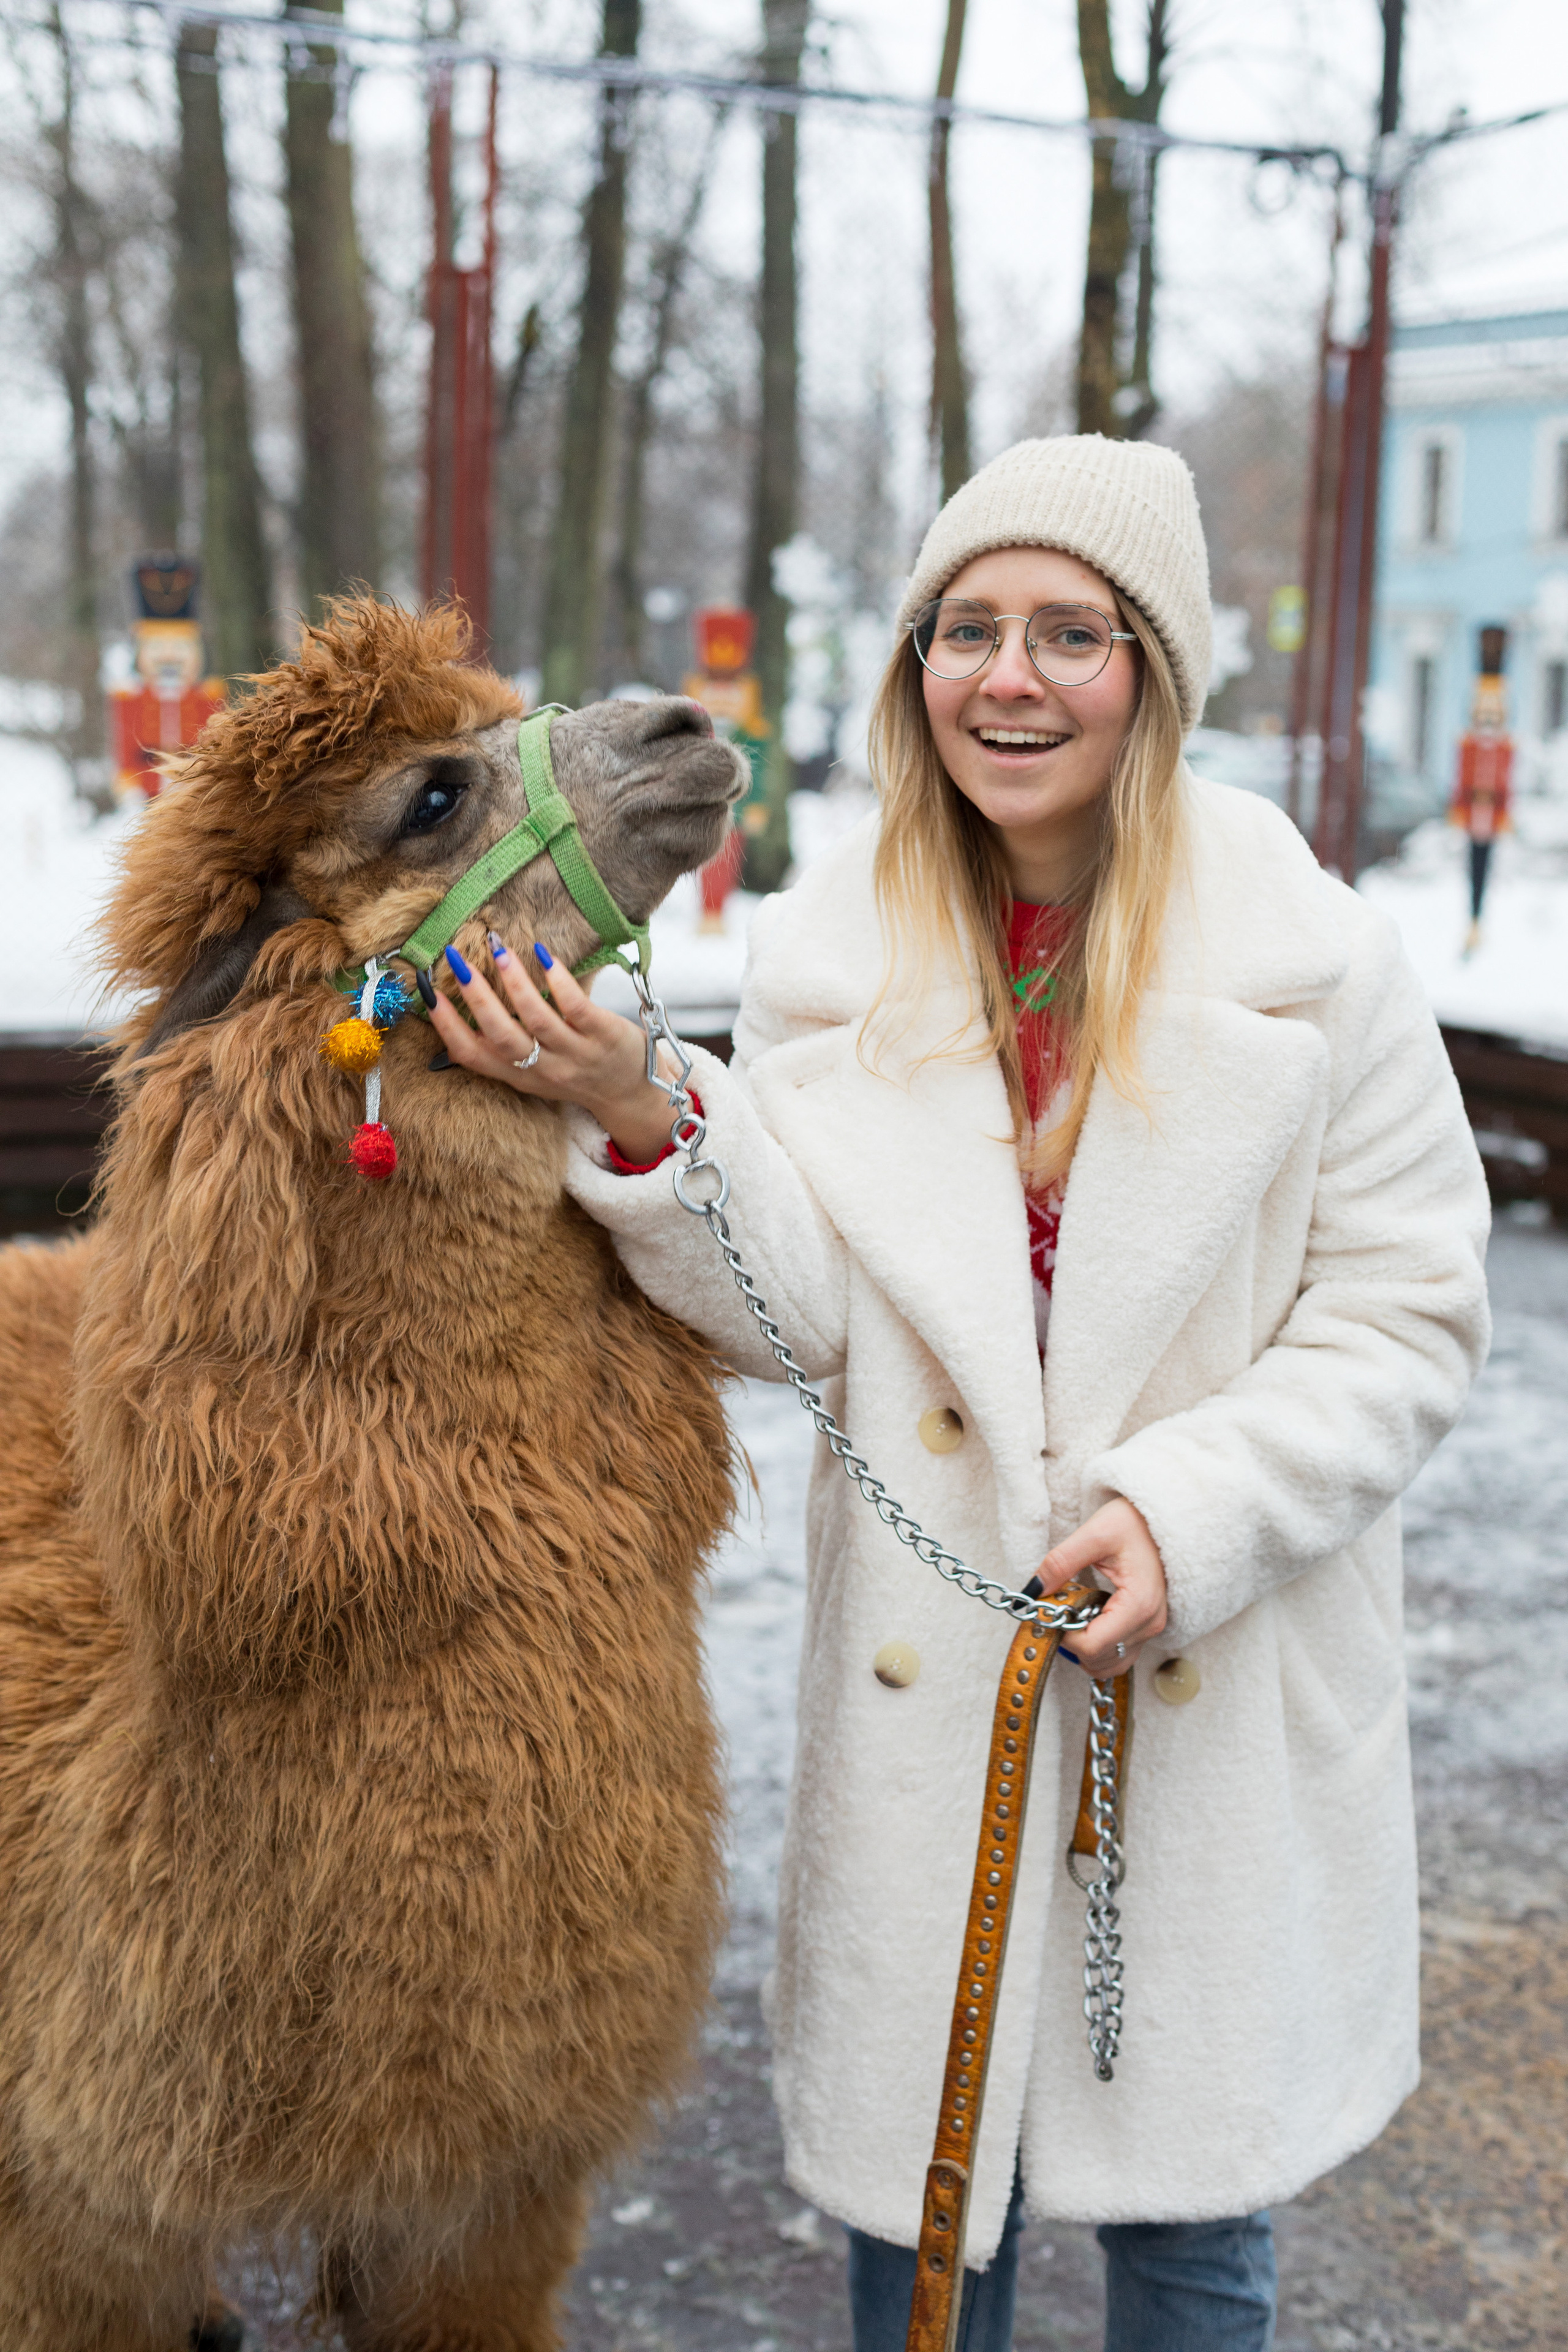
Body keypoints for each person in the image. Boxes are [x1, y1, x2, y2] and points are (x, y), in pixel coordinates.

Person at [428, 436, 1491, 2352]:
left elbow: (1410, 1311)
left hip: (1207, 1683)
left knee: (1189, 2237)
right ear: (917, 657)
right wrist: (638, 1106)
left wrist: (1197, 1509)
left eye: (1070, 633)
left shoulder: (1318, 964)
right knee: (932, 2224)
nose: (1011, 676)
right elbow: (806, 1306)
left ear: (1152, 670)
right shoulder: (843, 952)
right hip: (941, 1702)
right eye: (969, 627)